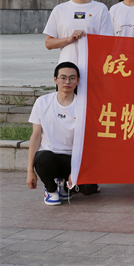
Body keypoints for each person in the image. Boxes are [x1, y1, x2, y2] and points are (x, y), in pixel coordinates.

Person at [26, 63, 98, 205]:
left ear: (78, 81)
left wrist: (77, 170)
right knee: (44, 158)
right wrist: (29, 171)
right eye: (63, 78)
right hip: (50, 157)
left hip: (73, 158)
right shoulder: (42, 102)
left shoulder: (84, 105)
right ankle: (51, 189)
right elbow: (35, 136)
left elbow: (89, 140)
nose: (67, 82)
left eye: (72, 78)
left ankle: (65, 185)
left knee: (89, 189)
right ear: (55, 79)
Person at [44, 0, 113, 64]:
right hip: (67, 68)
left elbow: (108, 43)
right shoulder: (60, 10)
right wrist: (69, 39)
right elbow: (48, 43)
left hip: (93, 67)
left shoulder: (101, 9)